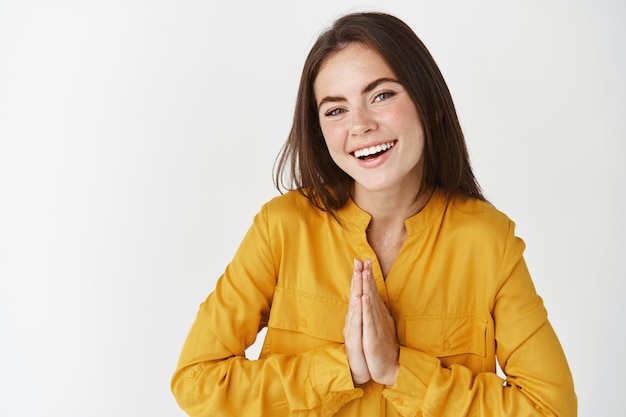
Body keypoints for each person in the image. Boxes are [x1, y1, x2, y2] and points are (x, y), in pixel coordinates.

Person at [171, 11, 577, 417]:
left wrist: (400, 370)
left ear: (430, 104)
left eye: (381, 95)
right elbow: (196, 380)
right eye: (335, 110)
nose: (360, 125)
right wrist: (341, 368)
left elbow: (551, 409)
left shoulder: (489, 241)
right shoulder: (281, 227)